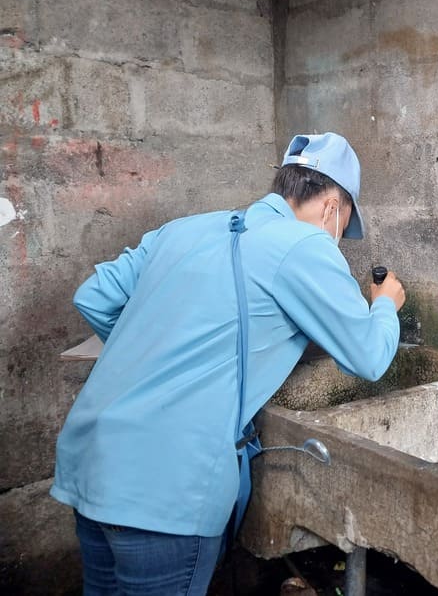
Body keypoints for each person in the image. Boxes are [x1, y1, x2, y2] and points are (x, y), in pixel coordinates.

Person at [50, 132, 406, 595]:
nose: (338, 238)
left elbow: (93, 296)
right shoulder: (305, 245)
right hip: (164, 484)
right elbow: (368, 355)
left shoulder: (183, 229)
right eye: (343, 225)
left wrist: (158, 353)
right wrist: (385, 305)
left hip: (91, 461)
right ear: (332, 207)